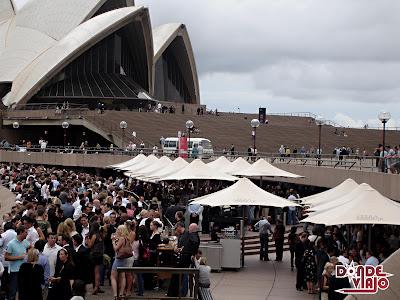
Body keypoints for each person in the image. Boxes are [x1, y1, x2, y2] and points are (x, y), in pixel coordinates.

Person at [5, 225, 30, 300]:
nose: (27, 234)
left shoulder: (25, 242)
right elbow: (6, 257)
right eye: (26, 232)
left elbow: (31, 248)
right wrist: (20, 257)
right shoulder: (11, 243)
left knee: (22, 291)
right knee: (13, 292)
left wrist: (29, 254)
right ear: (21, 232)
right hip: (14, 271)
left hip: (24, 271)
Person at [111, 225, 132, 300]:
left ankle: (115, 295)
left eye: (118, 229)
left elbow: (116, 249)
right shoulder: (127, 238)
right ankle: (121, 293)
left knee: (113, 277)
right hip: (125, 259)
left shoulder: (121, 238)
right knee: (123, 276)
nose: (117, 231)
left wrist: (113, 242)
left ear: (121, 230)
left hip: (119, 259)